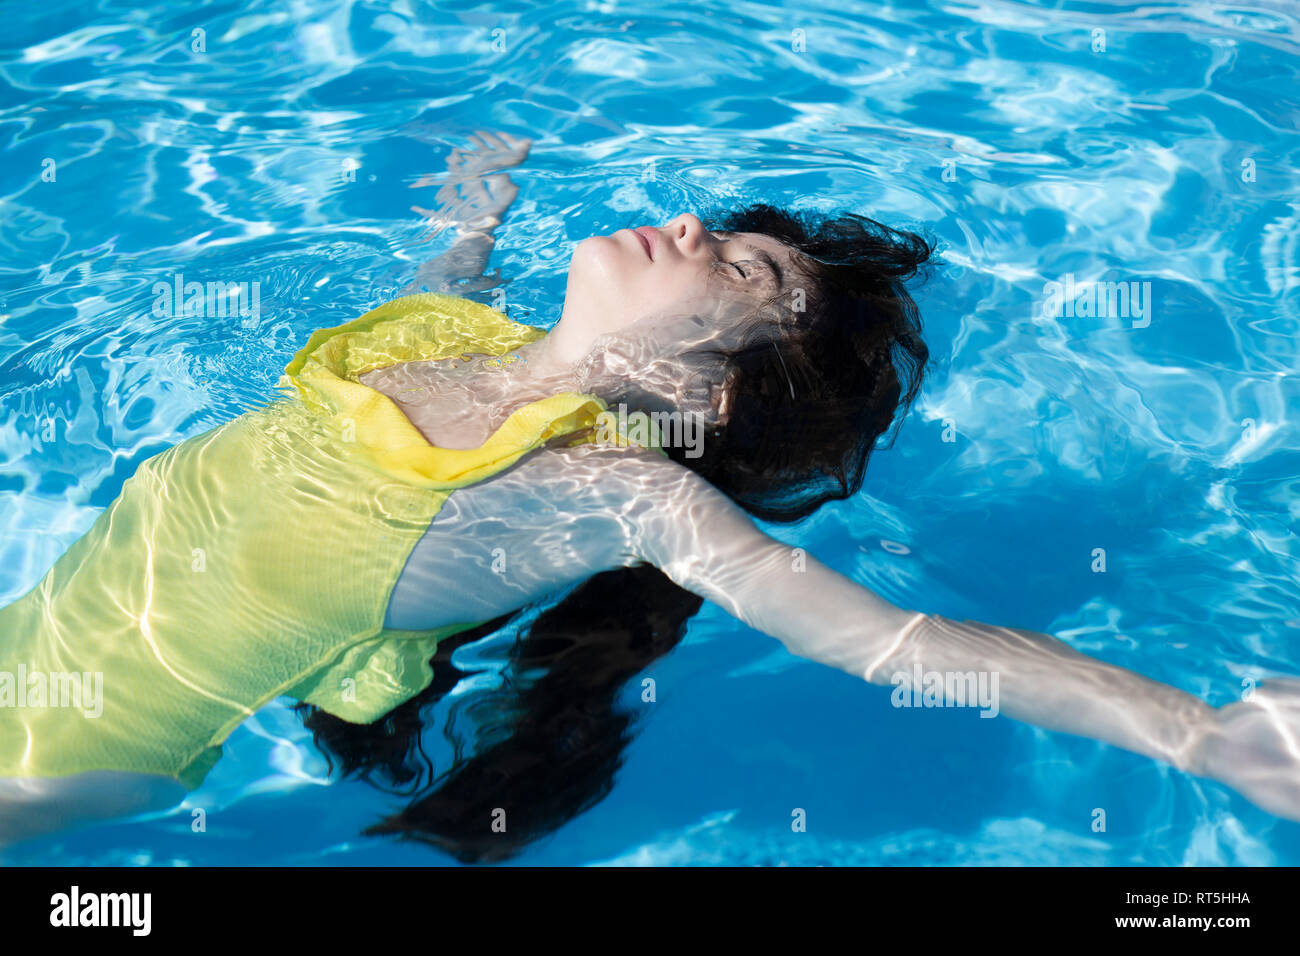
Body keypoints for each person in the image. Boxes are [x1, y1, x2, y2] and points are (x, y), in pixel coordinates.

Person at [2, 130, 1298, 856]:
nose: (689, 231)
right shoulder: (436, 331)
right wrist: (474, 212)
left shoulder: (606, 496)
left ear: (710, 397)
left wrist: (1195, 735)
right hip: (43, 629)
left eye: (739, 271)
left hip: (76, 757)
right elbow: (460, 281)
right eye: (718, 229)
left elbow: (894, 643)